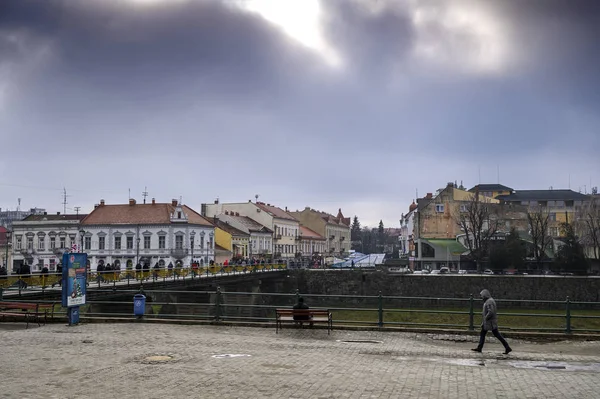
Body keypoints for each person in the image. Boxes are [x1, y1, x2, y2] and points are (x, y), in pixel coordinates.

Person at [472, 289, 512, 354]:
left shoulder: (489, 302)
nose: (481, 297)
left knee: (494, 334)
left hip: (490, 322)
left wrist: (485, 318)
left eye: (482, 296)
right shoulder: (489, 301)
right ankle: (507, 347)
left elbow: (491, 312)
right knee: (489, 334)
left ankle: (507, 347)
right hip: (490, 322)